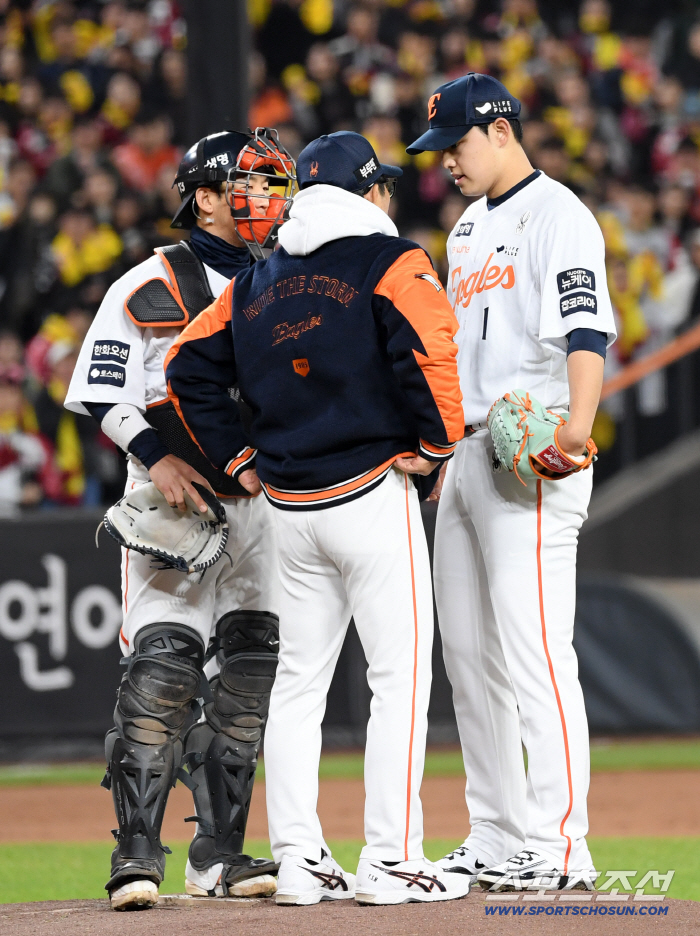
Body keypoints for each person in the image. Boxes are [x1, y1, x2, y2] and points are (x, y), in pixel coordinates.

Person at [165, 131, 468, 906]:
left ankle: (299, 859)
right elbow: (431, 351)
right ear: (370, 193)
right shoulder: (390, 258)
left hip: (290, 508)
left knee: (298, 686)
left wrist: (240, 463)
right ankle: (393, 859)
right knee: (397, 680)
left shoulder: (257, 276)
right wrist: (437, 444)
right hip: (370, 494)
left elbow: (186, 367)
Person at [64, 128, 295, 910]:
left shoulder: (288, 278)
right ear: (202, 196)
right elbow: (100, 390)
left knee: (250, 674)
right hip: (174, 500)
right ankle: (136, 852)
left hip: (259, 506)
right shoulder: (148, 284)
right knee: (163, 671)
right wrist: (156, 458)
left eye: (270, 184)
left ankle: (219, 853)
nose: (262, 198)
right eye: (246, 184)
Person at [406, 74, 617, 891]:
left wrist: (576, 427)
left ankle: (563, 844)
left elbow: (586, 326)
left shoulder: (560, 215)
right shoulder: (463, 229)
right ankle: (496, 833)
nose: (445, 162)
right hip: (464, 453)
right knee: (468, 656)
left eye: (455, 144)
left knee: (534, 653)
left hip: (528, 448)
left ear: (499, 130)